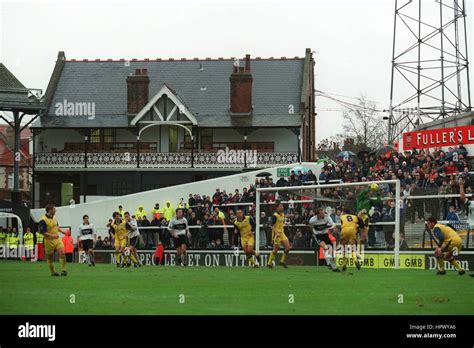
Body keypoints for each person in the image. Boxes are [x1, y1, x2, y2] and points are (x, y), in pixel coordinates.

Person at [38, 204, 67, 276]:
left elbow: (56, 227)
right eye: (54, 209)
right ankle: (53, 272)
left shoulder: (54, 218)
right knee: (50, 257)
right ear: (50, 210)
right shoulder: (43, 220)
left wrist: (62, 231)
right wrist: (52, 235)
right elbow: (42, 232)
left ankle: (63, 270)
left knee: (62, 253)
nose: (55, 210)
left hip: (57, 240)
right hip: (48, 241)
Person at [267, 203, 291, 269]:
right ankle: (269, 263)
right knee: (275, 250)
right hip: (276, 234)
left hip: (282, 233)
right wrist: (276, 232)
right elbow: (271, 225)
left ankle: (282, 261)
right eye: (280, 206)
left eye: (282, 206)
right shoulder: (275, 215)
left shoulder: (283, 214)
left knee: (288, 247)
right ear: (277, 208)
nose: (282, 207)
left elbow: (282, 222)